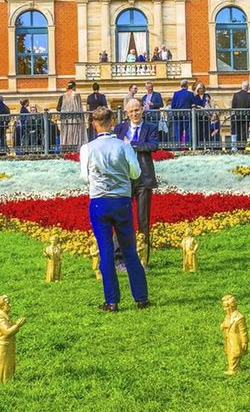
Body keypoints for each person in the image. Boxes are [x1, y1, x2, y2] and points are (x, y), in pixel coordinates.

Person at [80, 107, 149, 311]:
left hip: (99, 201)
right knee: (129, 249)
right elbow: (135, 173)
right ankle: (141, 297)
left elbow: (84, 177)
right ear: (113, 122)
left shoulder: (87, 148)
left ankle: (112, 300)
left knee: (105, 251)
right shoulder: (124, 146)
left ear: (94, 124)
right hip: (121, 200)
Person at [114, 97, 160, 264]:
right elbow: (115, 147)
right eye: (131, 111)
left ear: (142, 109)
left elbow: (153, 146)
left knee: (143, 219)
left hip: (144, 179)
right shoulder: (120, 129)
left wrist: (132, 145)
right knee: (121, 217)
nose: (134, 113)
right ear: (126, 113)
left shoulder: (151, 127)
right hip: (124, 178)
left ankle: (143, 258)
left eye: (137, 110)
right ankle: (119, 256)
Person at [0, 295, 26, 383]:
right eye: (8, 304)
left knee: (7, 364)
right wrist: (18, 325)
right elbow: (7, 332)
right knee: (3, 364)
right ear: (2, 306)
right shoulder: (1, 319)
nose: (10, 305)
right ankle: (2, 381)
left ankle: (6, 379)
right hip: (3, 346)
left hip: (7, 345)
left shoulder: (5, 317)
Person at [220, 295, 247, 374]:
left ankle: (233, 370)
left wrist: (244, 341)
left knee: (234, 354)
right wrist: (223, 325)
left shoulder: (239, 318)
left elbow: (243, 330)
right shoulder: (228, 316)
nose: (224, 309)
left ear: (231, 306)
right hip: (228, 338)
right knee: (229, 353)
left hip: (236, 339)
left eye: (225, 307)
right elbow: (226, 323)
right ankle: (234, 368)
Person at [57, 80, 85, 149]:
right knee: (75, 134)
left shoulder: (63, 96)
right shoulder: (76, 95)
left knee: (66, 134)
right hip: (75, 118)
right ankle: (75, 149)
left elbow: (58, 108)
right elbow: (80, 108)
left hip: (65, 119)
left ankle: (66, 149)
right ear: (74, 87)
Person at [169, 79, 196, 145]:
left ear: (181, 85)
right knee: (188, 130)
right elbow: (193, 104)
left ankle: (178, 144)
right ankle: (187, 144)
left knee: (178, 130)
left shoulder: (176, 93)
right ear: (187, 85)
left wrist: (174, 113)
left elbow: (172, 105)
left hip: (177, 114)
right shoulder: (190, 94)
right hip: (188, 114)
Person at [230, 80, 250, 147]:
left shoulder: (236, 95)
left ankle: (238, 146)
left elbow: (233, 106)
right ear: (248, 87)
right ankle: (243, 146)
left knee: (238, 132)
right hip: (246, 117)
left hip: (237, 116)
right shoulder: (249, 95)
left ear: (242, 86)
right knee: (244, 132)